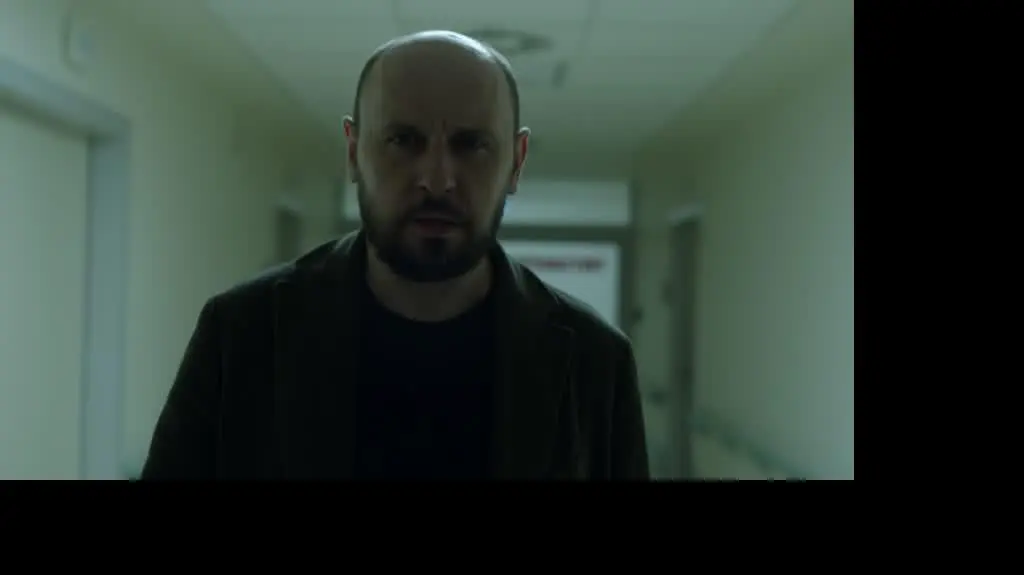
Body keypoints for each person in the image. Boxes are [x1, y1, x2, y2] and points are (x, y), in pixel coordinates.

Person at [141, 30, 649, 480]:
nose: (437, 180)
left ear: (516, 162)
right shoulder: (242, 336)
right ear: (353, 151)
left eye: (472, 144)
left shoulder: (595, 362)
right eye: (403, 140)